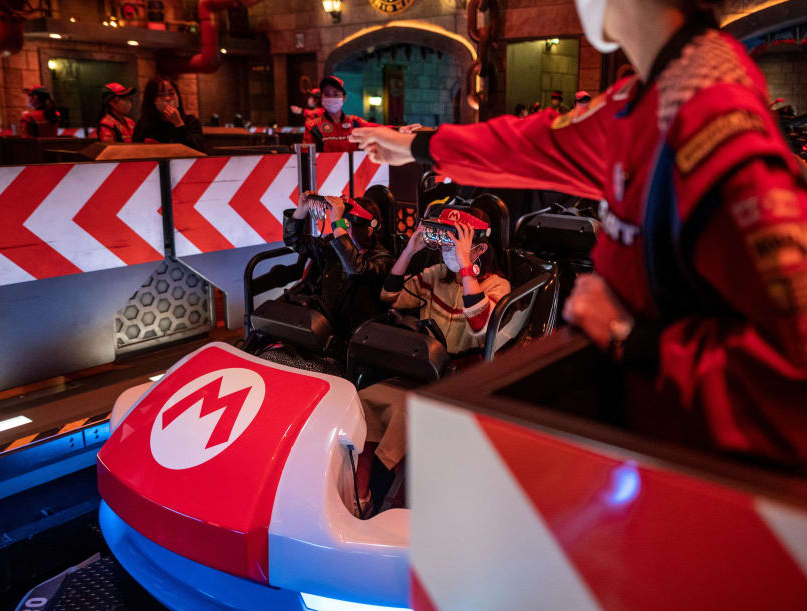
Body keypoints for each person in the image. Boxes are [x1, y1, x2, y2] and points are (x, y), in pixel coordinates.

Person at [350, 0, 807, 465]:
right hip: (642, 426)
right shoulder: (646, 98)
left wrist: (627, 335)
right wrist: (419, 145)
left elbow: (793, 363)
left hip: (695, 458)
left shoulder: (709, 119)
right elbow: (536, 142)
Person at [355, 208, 509, 516]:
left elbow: (480, 326)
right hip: (422, 369)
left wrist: (464, 264)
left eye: (457, 243)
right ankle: (361, 495)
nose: (447, 250)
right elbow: (389, 296)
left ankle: (388, 505)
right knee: (364, 399)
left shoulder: (497, 287)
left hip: (460, 379)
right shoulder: (434, 276)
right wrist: (411, 250)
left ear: (478, 249)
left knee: (403, 413)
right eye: (446, 242)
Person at [283, 190, 393, 344]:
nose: (341, 230)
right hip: (321, 326)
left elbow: (355, 268)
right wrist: (303, 208)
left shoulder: (383, 259)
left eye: (347, 225)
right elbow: (294, 240)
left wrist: (337, 223)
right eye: (343, 223)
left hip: (356, 338)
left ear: (368, 231)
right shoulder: (333, 246)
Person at [303, 75, 378, 153]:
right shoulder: (312, 126)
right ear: (322, 98)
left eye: (336, 94)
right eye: (327, 94)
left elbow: (377, 130)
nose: (331, 98)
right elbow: (306, 156)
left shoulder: (355, 122)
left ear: (344, 98)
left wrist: (390, 134)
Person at [133, 75, 204, 152]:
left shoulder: (191, 122)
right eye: (160, 95)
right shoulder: (144, 124)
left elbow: (196, 150)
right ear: (151, 99)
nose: (167, 98)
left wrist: (179, 124)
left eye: (171, 93)